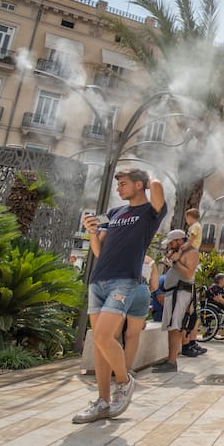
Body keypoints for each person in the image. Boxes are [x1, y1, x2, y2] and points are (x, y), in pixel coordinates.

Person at [72, 169, 167, 424]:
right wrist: (92, 231)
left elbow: (157, 188)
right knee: (102, 343)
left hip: (124, 280)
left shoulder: (149, 213)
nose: (119, 189)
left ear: (139, 185)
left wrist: (148, 177)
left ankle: (124, 382)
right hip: (98, 280)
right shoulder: (115, 213)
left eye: (123, 184)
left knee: (104, 335)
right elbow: (99, 251)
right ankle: (102, 401)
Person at [152, 229, 200, 371]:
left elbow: (189, 273)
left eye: (172, 242)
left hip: (180, 292)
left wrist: (173, 263)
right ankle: (170, 359)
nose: (170, 245)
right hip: (173, 292)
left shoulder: (192, 253)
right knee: (172, 327)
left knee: (175, 326)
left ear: (179, 240)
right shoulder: (179, 252)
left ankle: (172, 361)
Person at [120, 253, 159, 373]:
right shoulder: (149, 261)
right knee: (133, 335)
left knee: (114, 333)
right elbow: (154, 286)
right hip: (141, 290)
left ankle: (113, 366)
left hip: (121, 289)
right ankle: (126, 370)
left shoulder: (122, 254)